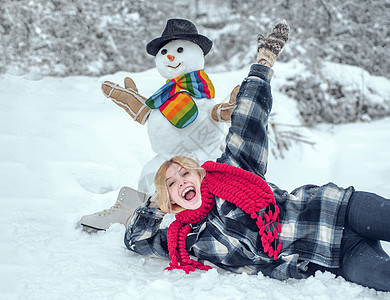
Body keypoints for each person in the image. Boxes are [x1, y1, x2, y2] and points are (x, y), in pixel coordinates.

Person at [124, 21, 390, 292]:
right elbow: (136, 240)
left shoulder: (234, 171)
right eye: (170, 184)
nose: (180, 182)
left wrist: (262, 64)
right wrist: (154, 206)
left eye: (184, 172)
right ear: (171, 200)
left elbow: (248, 120)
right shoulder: (185, 241)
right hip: (337, 257)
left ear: (199, 174)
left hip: (338, 210)